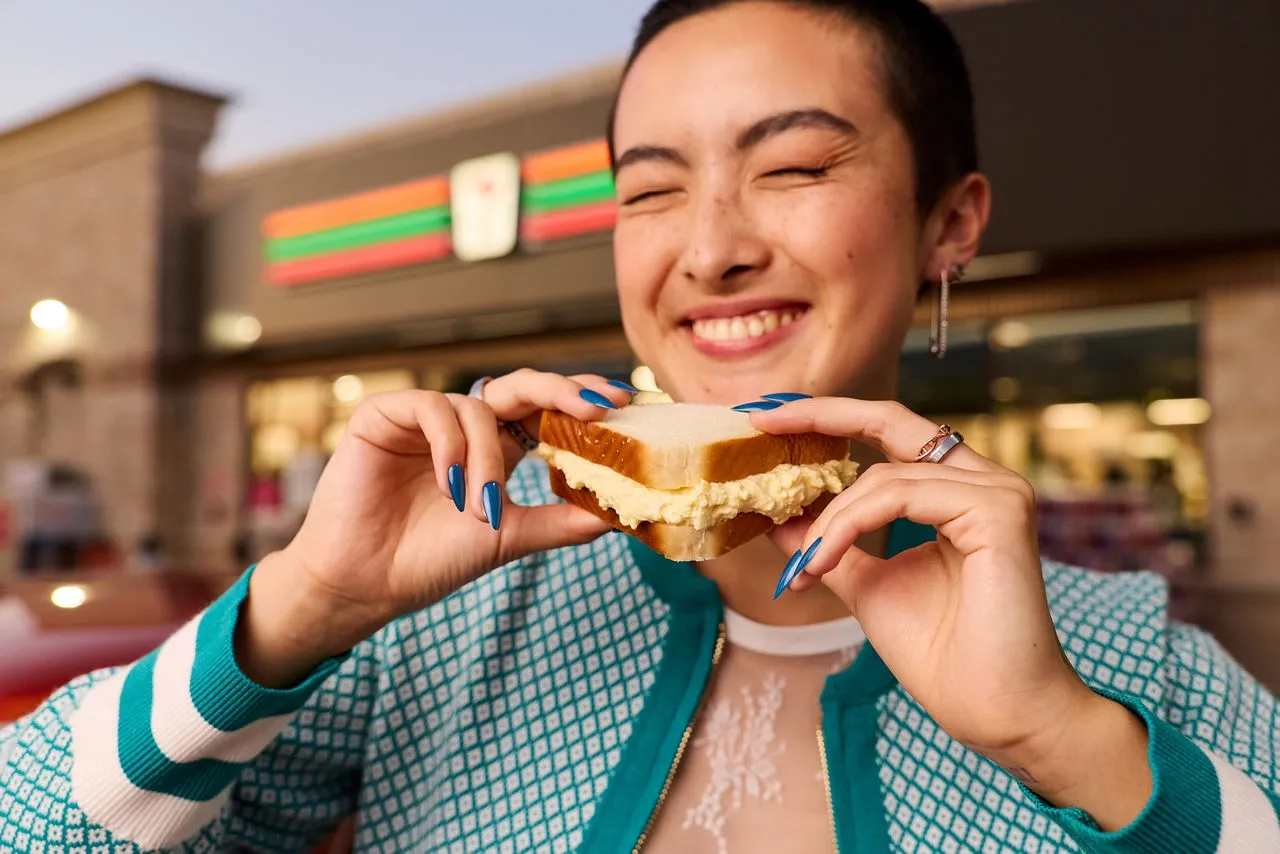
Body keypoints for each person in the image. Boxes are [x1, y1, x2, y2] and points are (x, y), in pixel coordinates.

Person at [3, 1, 1278, 851]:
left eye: (791, 168)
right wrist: (299, 606)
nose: (711, 250)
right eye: (651, 190)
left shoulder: (1125, 666)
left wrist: (1064, 740)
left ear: (950, 220)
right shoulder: (444, 628)